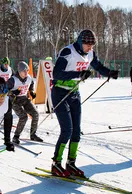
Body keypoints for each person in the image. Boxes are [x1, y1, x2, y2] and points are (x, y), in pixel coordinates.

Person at [51, 29, 119, 177]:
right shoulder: (67, 52)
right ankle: (56, 163)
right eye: (88, 45)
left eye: (92, 45)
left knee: (76, 131)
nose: (90, 48)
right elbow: (56, 73)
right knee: (67, 130)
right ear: (81, 42)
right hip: (60, 92)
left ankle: (71, 163)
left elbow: (98, 66)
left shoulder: (90, 54)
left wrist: (110, 73)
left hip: (74, 93)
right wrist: (79, 74)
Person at [7, 61, 42, 144]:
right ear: (19, 72)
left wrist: (32, 91)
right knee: (24, 117)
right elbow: (4, 90)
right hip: (15, 100)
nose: (26, 72)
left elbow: (31, 84)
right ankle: (16, 137)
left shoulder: (29, 78)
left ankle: (33, 134)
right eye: (24, 71)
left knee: (35, 113)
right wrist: (12, 92)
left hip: (24, 98)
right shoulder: (13, 80)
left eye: (27, 70)